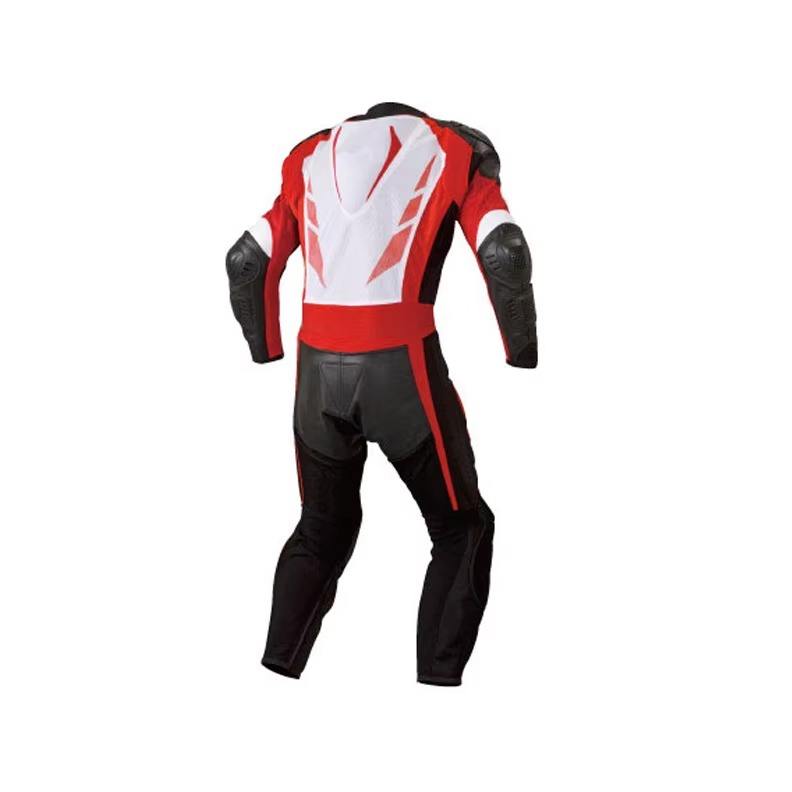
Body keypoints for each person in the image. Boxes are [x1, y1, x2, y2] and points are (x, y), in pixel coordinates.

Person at [226, 102, 537, 685]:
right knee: (462, 528)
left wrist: (265, 349)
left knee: (321, 529)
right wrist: (522, 351)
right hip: (403, 371)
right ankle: (437, 686)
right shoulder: (454, 148)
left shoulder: (309, 155)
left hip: (316, 376)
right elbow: (505, 252)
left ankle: (274, 673)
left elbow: (247, 261)